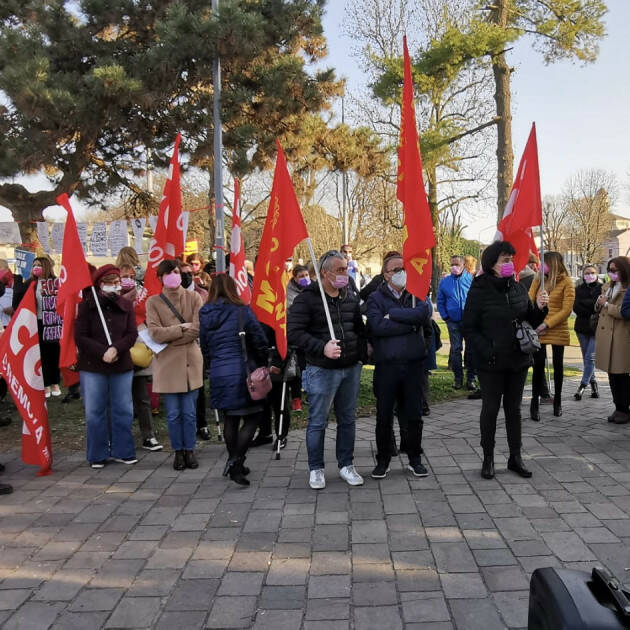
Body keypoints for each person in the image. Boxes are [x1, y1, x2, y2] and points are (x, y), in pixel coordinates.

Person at [463, 241, 548, 480]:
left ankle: (515, 457)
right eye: (505, 260)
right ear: (492, 264)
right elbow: (469, 327)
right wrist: (487, 350)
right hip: (490, 363)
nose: (510, 264)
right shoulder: (479, 289)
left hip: (517, 360)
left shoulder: (518, 287)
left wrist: (541, 308)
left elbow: (528, 318)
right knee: (490, 410)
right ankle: (488, 457)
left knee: (514, 410)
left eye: (511, 259)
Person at [287, 250, 366, 490]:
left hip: (350, 368)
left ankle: (346, 465)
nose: (345, 273)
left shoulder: (349, 296)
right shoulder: (307, 298)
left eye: (346, 269)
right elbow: (294, 333)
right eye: (340, 270)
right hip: (321, 369)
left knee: (347, 419)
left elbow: (358, 329)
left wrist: (361, 354)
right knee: (318, 421)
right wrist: (322, 347)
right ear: (325, 273)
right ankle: (316, 469)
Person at [199, 274, 268, 485]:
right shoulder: (242, 310)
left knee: (230, 418)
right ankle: (236, 462)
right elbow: (259, 339)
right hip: (242, 371)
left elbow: (204, 345)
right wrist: (265, 358)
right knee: (253, 417)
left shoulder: (205, 313)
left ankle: (235, 463)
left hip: (219, 371)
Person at [366, 253, 431, 479]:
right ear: (385, 274)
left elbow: (424, 314)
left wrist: (392, 314)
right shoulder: (375, 298)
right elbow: (376, 326)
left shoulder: (416, 294)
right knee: (384, 415)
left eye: (403, 268)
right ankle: (383, 459)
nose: (401, 273)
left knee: (413, 414)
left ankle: (415, 457)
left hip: (413, 366)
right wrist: (409, 324)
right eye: (395, 269)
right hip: (387, 366)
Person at [75, 265, 138, 468]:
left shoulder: (126, 306)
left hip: (121, 366)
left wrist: (115, 349)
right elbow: (80, 336)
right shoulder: (86, 306)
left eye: (117, 282)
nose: (114, 286)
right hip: (93, 366)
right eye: (109, 283)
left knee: (123, 409)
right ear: (99, 284)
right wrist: (102, 351)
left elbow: (131, 334)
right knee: (95, 411)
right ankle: (97, 454)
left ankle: (123, 450)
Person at [146, 260, 203, 470]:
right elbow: (154, 333)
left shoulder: (194, 297)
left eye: (176, 272)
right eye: (168, 273)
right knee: (173, 414)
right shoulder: (153, 302)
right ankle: (178, 451)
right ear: (160, 277)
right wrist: (180, 328)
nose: (173, 275)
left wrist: (169, 337)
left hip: (190, 364)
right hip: (167, 366)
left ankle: (190, 449)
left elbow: (197, 329)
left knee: (189, 412)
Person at [119, 264, 163, 452]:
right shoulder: (109, 297)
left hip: (139, 349)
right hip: (119, 354)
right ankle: (122, 437)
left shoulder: (143, 294)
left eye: (131, 275)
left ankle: (148, 436)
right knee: (121, 401)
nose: (128, 278)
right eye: (124, 275)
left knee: (142, 398)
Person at [528, 251, 575, 420]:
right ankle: (535, 402)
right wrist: (538, 306)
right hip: (539, 328)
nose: (541, 266)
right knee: (538, 365)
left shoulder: (567, 282)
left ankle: (558, 401)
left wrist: (546, 324)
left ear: (553, 264)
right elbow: (529, 302)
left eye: (544, 262)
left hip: (556, 327)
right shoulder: (538, 279)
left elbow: (566, 310)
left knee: (558, 366)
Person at [13, 257, 62, 398]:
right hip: (37, 323)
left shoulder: (56, 283)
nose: (36, 267)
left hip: (53, 323)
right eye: (34, 265)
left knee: (54, 353)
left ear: (46, 267)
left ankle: (55, 382)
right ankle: (46, 384)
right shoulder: (29, 284)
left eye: (39, 265)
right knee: (42, 355)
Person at [595, 257, 630, 424]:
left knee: (621, 374)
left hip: (621, 336)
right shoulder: (608, 286)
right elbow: (600, 306)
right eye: (610, 269)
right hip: (607, 335)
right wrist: (600, 303)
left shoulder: (627, 289)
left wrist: (607, 305)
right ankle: (618, 407)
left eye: (615, 270)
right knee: (611, 375)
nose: (611, 273)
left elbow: (624, 312)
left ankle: (624, 409)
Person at [180, 260, 210, 440]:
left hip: (198, 345)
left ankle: (202, 423)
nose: (185, 276)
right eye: (182, 273)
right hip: (177, 346)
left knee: (198, 387)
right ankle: (185, 423)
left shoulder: (202, 293)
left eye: (188, 273)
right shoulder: (170, 296)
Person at [437, 254, 475, 390]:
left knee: (471, 350)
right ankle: (458, 379)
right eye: (452, 264)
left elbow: (477, 300)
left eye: (457, 264)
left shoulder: (470, 280)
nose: (454, 267)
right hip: (453, 321)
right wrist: (445, 316)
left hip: (469, 321)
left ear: (463, 265)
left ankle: (471, 378)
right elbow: (440, 300)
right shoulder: (445, 282)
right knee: (456, 350)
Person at [572, 264, 603, 401]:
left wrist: (588, 304)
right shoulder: (578, 289)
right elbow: (576, 307)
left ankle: (582, 386)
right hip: (582, 328)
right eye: (587, 273)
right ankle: (594, 386)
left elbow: (601, 307)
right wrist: (592, 306)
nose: (589, 275)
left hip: (597, 328)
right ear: (583, 275)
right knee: (586, 359)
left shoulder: (602, 288)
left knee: (590, 358)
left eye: (592, 272)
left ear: (596, 274)